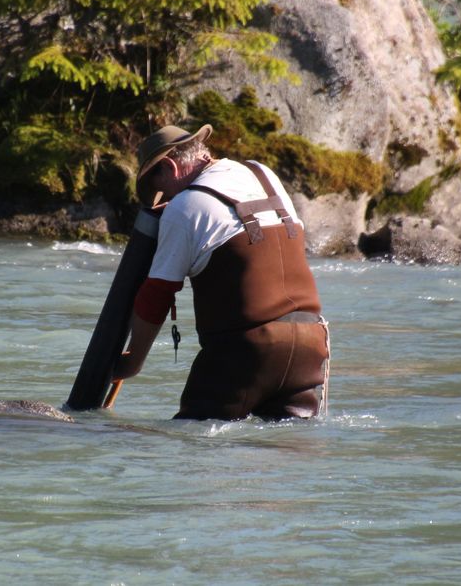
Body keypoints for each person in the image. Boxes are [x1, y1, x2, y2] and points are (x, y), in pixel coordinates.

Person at [112, 124, 330, 420]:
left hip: (245, 350)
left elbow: (157, 296)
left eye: (159, 184)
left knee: (192, 448)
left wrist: (133, 362)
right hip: (311, 344)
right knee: (284, 452)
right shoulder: (261, 174)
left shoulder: (184, 207)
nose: (163, 196)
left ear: (169, 167)